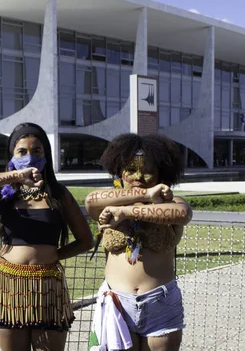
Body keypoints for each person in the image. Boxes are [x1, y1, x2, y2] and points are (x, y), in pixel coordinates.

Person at [0, 122, 94, 351]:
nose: (30, 156)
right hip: (8, 285)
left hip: (48, 287)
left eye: (37, 151)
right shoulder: (5, 193)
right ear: (12, 155)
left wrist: (52, 257)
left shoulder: (59, 194)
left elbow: (86, 241)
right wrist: (16, 175)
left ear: (46, 155)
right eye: (22, 151)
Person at [84, 133, 192, 351]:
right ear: (119, 169)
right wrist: (145, 193)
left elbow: (183, 213)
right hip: (117, 305)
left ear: (162, 172)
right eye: (130, 169)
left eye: (148, 171)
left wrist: (124, 211)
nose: (138, 176)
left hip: (160, 305)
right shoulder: (105, 204)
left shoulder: (173, 203)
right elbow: (90, 201)